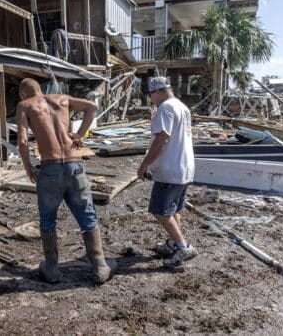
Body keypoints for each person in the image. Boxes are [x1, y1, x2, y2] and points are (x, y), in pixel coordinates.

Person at [16, 78, 116, 283]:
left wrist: (28, 168)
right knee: (87, 214)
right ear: (39, 89)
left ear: (23, 94)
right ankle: (100, 266)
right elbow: (92, 107)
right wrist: (80, 134)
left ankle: (52, 269)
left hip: (50, 168)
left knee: (47, 218)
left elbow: (23, 140)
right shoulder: (62, 99)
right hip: (74, 166)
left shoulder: (25, 105)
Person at [137, 76, 198, 267]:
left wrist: (144, 165)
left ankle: (182, 246)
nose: (150, 100)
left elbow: (162, 139)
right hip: (183, 166)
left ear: (156, 91)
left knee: (160, 211)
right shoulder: (181, 107)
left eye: (150, 95)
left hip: (170, 168)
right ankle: (173, 243)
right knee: (173, 209)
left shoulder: (165, 108)